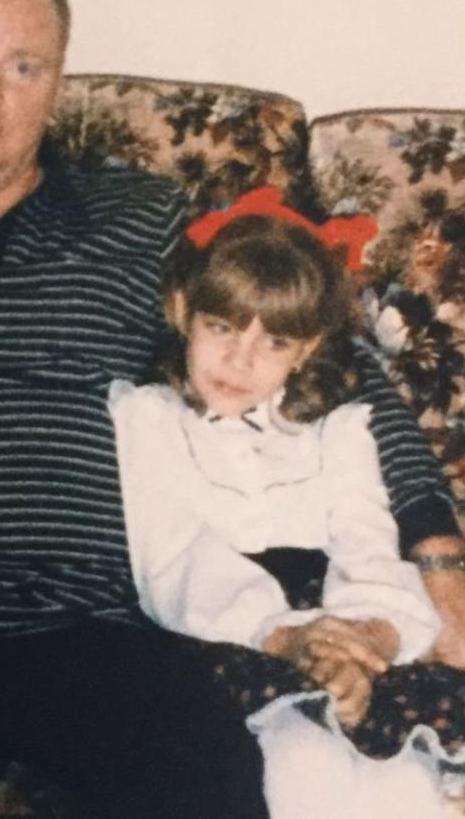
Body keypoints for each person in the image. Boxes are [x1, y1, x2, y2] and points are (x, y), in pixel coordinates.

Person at [0, 0, 465, 819]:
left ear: (59, 79)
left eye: (24, 66)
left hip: (87, 636)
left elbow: (329, 362)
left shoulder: (140, 220)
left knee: (208, 780)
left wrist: (436, 557)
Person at [110, 194, 465, 819]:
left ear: (306, 349)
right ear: (181, 311)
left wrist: (370, 636)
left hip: (348, 632)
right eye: (222, 327)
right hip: (231, 635)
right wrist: (287, 637)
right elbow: (170, 556)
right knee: (302, 769)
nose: (241, 360)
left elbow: (367, 542)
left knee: (402, 782)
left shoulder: (340, 427)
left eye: (274, 341)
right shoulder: (148, 416)